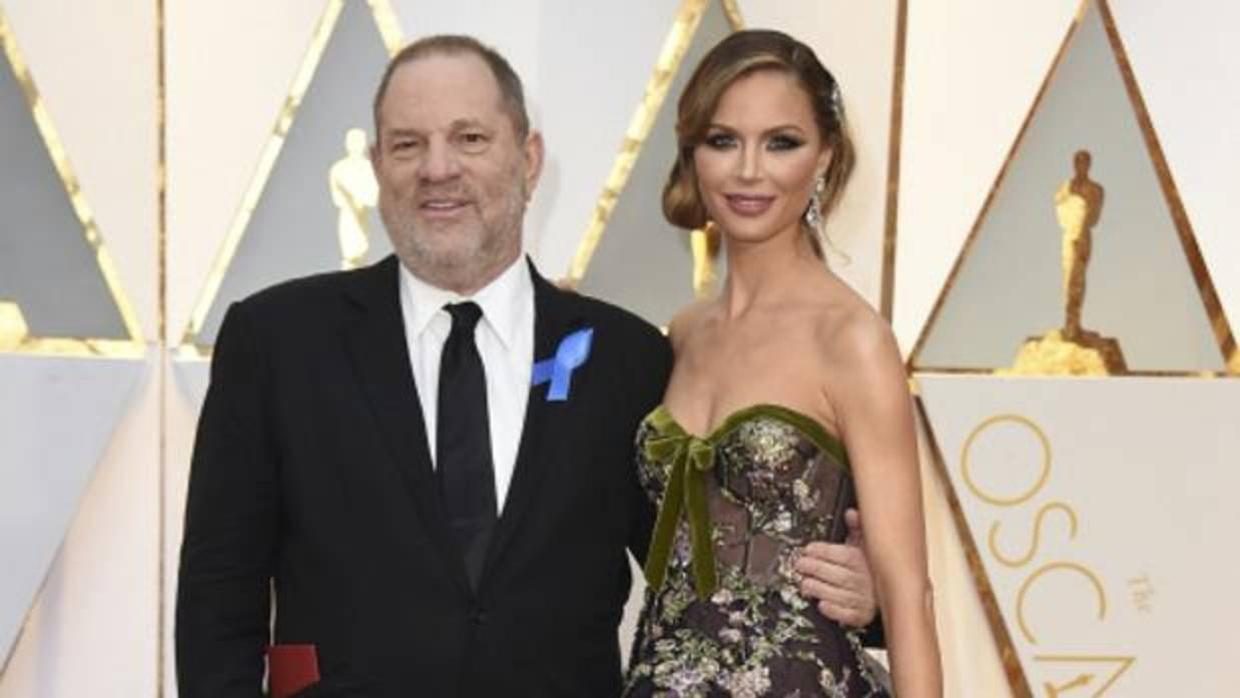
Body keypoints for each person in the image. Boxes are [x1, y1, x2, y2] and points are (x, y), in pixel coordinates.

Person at [176, 34, 879, 697]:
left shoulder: (628, 358)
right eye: (408, 144)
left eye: (470, 138)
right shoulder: (277, 341)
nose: (438, 168)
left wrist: (862, 593)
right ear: (378, 166)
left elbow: (705, 569)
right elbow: (218, 590)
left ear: (530, 160)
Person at [624, 30, 941, 697]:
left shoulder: (851, 340)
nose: (748, 171)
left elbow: (908, 594)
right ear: (693, 154)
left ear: (825, 156)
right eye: (723, 140)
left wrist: (871, 591)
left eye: (781, 142)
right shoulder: (684, 334)